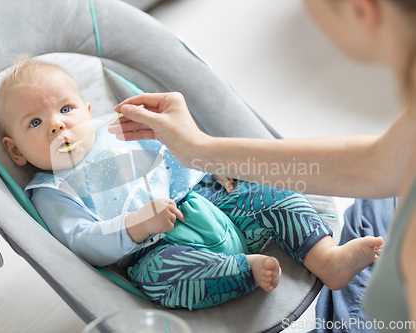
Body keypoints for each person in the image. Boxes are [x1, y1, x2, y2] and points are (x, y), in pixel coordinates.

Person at [109, 0, 416, 330]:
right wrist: (202, 149)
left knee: (279, 198)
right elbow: (377, 163)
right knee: (370, 207)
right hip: (170, 241)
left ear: (362, 10)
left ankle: (287, 263)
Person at [0, 57, 382, 310]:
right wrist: (138, 225)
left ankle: (326, 257)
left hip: (207, 201)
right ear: (15, 152)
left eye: (65, 109)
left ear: (88, 110)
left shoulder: (120, 131)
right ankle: (240, 270)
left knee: (272, 193)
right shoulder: (50, 191)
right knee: (160, 279)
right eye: (35, 123)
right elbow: (81, 241)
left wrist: (213, 166)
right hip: (152, 249)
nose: (58, 125)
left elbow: (175, 150)